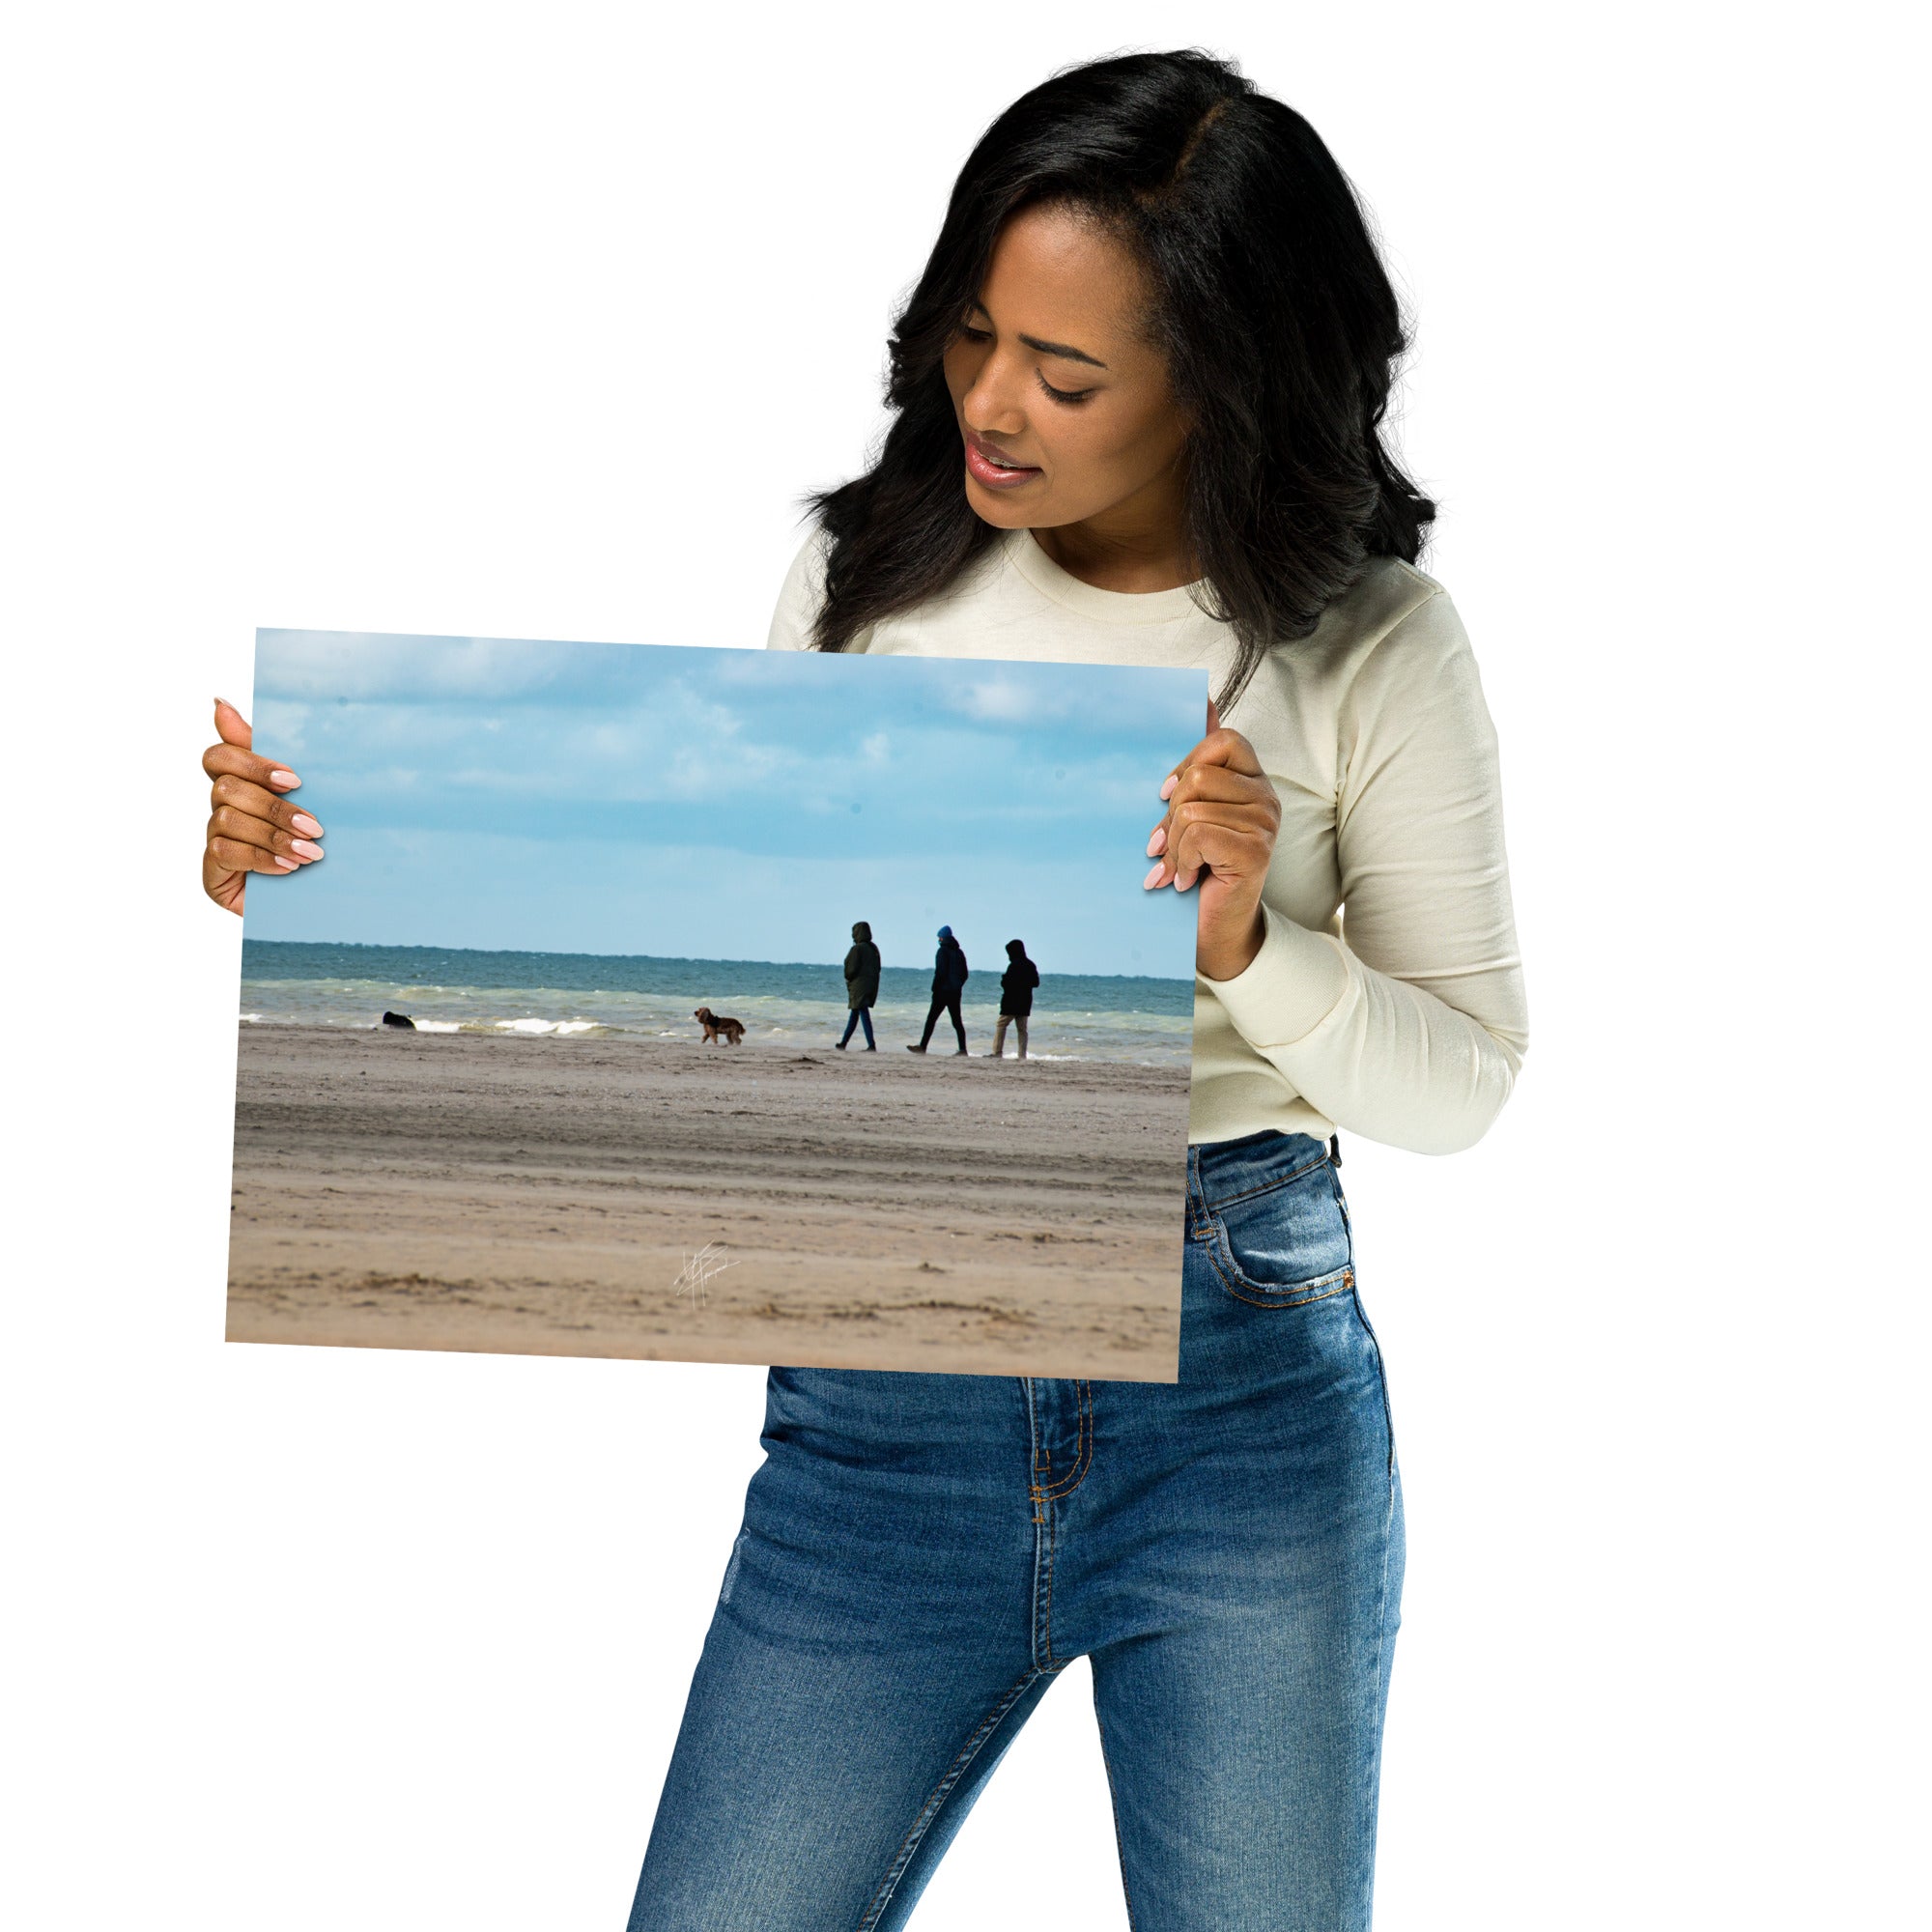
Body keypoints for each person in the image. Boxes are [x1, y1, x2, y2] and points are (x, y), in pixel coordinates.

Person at [201, 49, 1527, 1929]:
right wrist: (322, 877)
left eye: (1065, 375)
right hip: (881, 1427)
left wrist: (1248, 945)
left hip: (1234, 1394)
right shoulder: (862, 577)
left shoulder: (1370, 641)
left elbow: (1464, 1081)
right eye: (971, 335)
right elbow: (728, 982)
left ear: (1223, 380)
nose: (990, 402)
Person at [906, 923, 969, 1056]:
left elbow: (940, 972)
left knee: (931, 1019)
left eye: (939, 937)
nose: (938, 940)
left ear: (942, 938)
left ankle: (923, 1047)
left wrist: (935, 987)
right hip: (955, 992)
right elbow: (965, 974)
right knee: (957, 1021)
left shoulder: (942, 951)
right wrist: (958, 985)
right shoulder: (959, 952)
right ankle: (963, 1049)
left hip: (942, 992)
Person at [836, 919, 881, 1050]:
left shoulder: (857, 949)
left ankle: (871, 1045)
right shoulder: (873, 948)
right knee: (855, 1014)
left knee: (863, 1014)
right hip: (871, 985)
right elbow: (878, 967)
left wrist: (849, 978)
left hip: (859, 986)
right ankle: (843, 1043)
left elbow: (850, 969)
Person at [990, 938, 1038, 1059]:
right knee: (1022, 1030)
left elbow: (1006, 984)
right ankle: (1022, 1055)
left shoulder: (1013, 966)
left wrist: (1004, 978)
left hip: (1011, 1002)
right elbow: (1036, 983)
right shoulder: (1030, 965)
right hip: (1025, 1002)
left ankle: (997, 1052)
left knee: (1001, 1025)